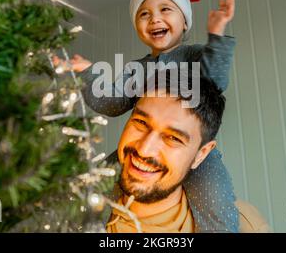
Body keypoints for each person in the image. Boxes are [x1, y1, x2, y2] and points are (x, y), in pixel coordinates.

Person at [55, 0, 238, 231]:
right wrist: (88, 72)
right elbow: (111, 103)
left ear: (184, 21)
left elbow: (215, 82)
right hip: (132, 152)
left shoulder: (195, 55)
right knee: (96, 180)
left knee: (217, 203)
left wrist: (216, 34)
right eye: (144, 14)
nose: (154, 19)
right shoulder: (137, 69)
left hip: (195, 157)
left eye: (165, 9)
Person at [104, 73, 269, 232]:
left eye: (174, 138)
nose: (144, 149)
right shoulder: (80, 210)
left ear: (201, 155)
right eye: (140, 122)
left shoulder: (247, 227)